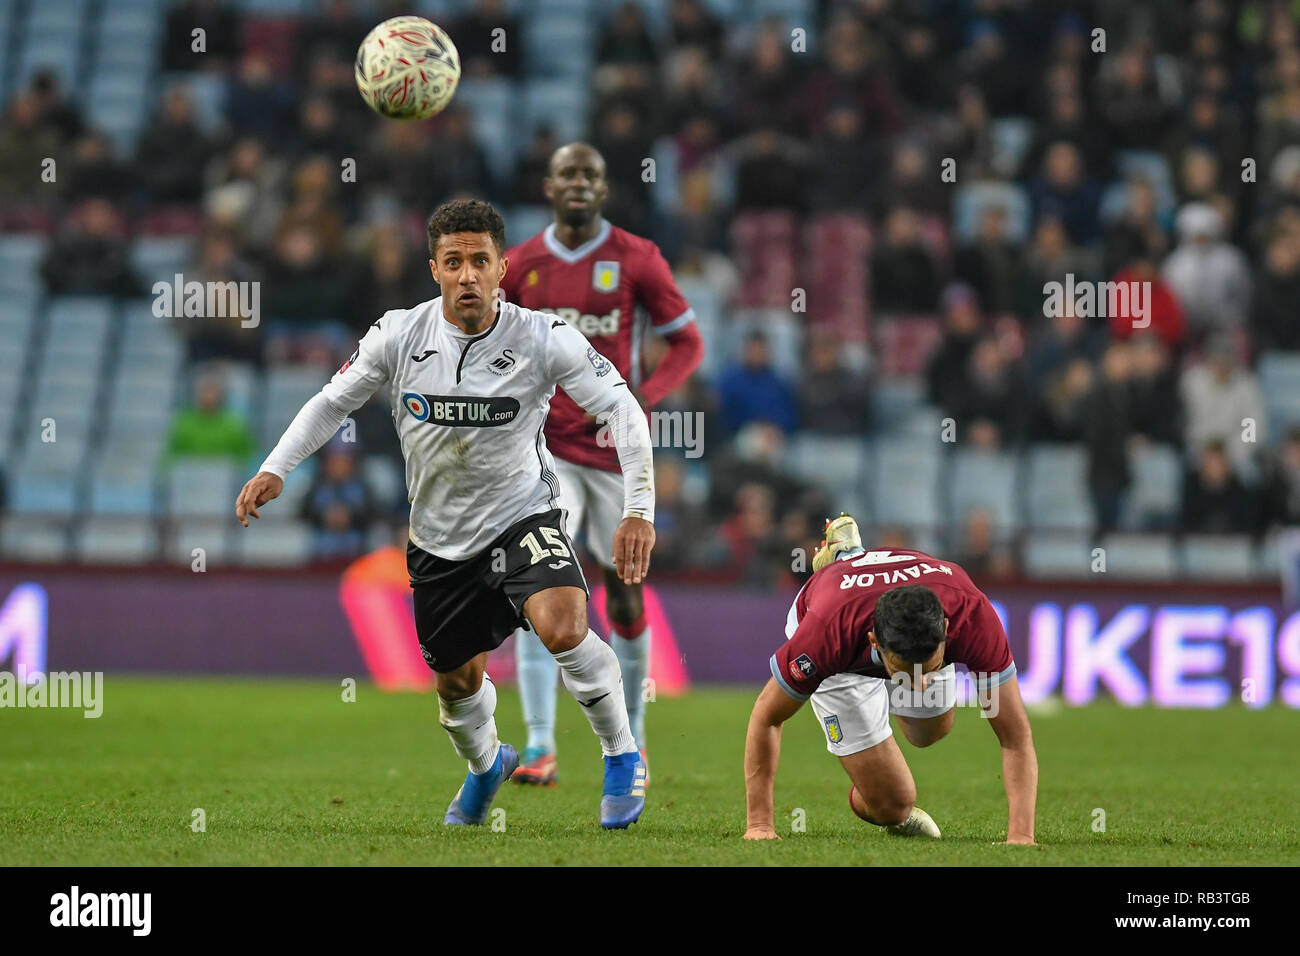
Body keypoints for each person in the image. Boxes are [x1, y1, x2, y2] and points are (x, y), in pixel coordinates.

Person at [235, 200, 656, 829]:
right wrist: (275, 467)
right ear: (434, 268)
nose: (467, 275)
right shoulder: (398, 336)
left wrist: (638, 509)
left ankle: (622, 755)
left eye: (479, 261)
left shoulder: (544, 338)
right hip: (438, 542)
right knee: (457, 688)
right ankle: (487, 765)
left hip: (525, 517)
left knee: (565, 626)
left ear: (502, 269)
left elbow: (622, 409)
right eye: (453, 261)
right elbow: (330, 403)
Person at [500, 142, 703, 786]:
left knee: (624, 592)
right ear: (549, 185)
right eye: (568, 174)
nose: (579, 183)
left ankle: (635, 737)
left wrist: (644, 398)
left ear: (604, 189)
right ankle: (539, 745)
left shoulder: (636, 259)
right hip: (545, 452)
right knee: (540, 589)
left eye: (590, 174)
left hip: (613, 455)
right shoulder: (520, 265)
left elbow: (686, 344)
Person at [743, 516, 1038, 844]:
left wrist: (1021, 836)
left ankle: (850, 555)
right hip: (844, 658)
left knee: (930, 732)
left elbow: (1015, 736)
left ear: (945, 628)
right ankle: (845, 559)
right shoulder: (824, 637)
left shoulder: (973, 617)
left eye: (929, 665)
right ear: (873, 643)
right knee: (892, 807)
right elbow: (767, 716)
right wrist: (759, 825)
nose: (919, 678)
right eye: (904, 669)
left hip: (890, 615)